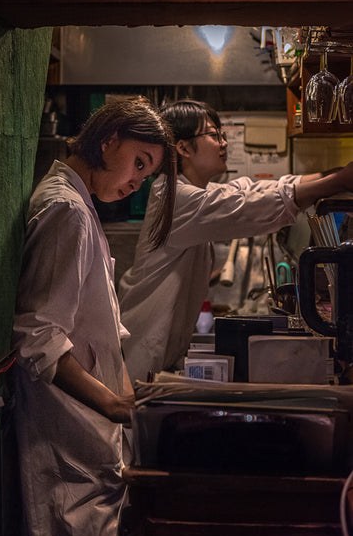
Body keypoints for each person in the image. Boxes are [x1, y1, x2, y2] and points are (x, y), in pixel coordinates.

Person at [11, 96, 176, 536]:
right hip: (66, 444)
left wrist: (128, 409)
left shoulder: (81, 207)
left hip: (90, 446)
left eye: (145, 176)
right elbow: (38, 336)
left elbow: (102, 335)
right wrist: (114, 406)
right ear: (108, 141)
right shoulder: (67, 210)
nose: (135, 184)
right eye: (138, 163)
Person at [118, 99, 353, 384]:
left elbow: (253, 190)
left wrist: (336, 174)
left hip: (157, 351)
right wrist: (339, 181)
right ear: (183, 148)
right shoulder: (175, 197)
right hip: (140, 353)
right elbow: (250, 204)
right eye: (213, 135)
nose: (224, 143)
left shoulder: (192, 192)